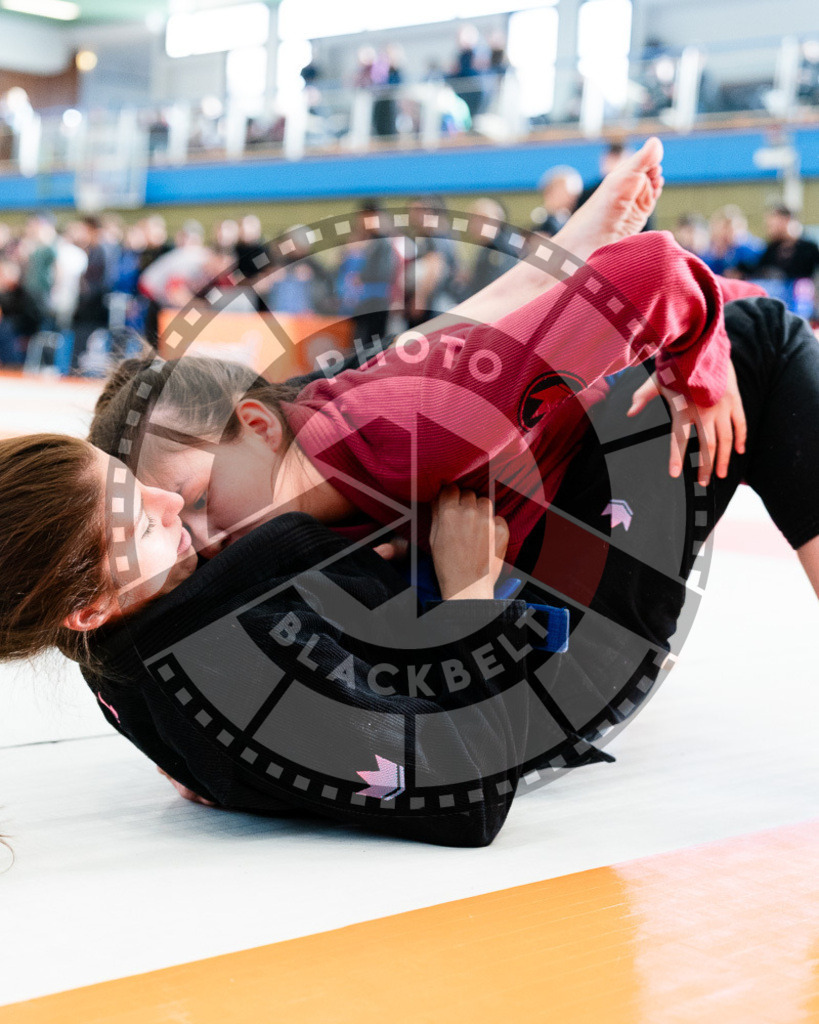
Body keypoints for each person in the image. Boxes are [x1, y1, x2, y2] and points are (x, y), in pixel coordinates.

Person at [3, 141, 817, 846]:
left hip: (508, 538)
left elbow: (414, 368)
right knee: (757, 343)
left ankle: (606, 289)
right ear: (83, 608)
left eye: (150, 491)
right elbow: (468, 788)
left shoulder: (115, 627)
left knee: (409, 395)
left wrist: (686, 356)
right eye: (147, 509)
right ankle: (667, 318)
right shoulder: (217, 639)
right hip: (551, 646)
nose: (172, 510)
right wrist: (468, 593)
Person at [535, 167, 583, 237]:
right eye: (563, 192)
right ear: (549, 192)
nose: (570, 198)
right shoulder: (540, 222)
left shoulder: (577, 220)